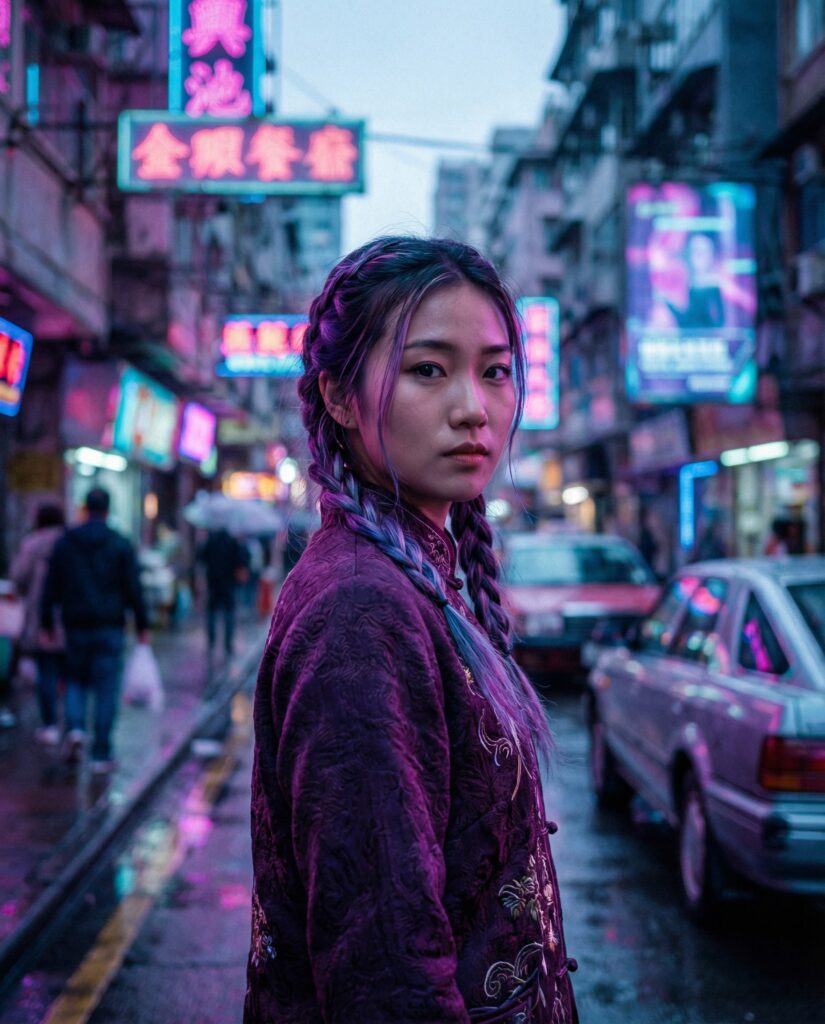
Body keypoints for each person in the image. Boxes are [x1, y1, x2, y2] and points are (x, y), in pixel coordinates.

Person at [244, 237, 578, 1023]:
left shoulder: (408, 576)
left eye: (494, 371)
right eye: (428, 369)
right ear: (337, 394)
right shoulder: (360, 610)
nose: (474, 407)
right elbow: (386, 972)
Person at [41, 487, 148, 772]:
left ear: (86, 508)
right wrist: (142, 625)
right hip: (109, 627)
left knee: (74, 680)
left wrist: (46, 622)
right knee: (105, 688)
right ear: (108, 509)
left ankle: (75, 729)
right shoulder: (119, 543)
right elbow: (133, 588)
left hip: (75, 625)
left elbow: (50, 585)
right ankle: (101, 753)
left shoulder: (66, 542)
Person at [10, 503, 66, 744]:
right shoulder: (69, 542)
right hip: (70, 618)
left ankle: (50, 723)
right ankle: (73, 724)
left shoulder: (32, 544)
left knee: (46, 670)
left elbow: (18, 578)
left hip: (40, 616)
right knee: (69, 672)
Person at [198, 527, 246, 658]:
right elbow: (240, 561)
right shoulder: (232, 541)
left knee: (212, 612)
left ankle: (211, 641)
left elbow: (202, 557)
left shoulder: (210, 540)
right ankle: (228, 644)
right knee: (228, 613)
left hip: (213, 583)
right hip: (228, 584)